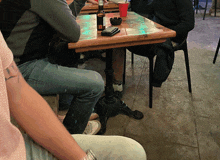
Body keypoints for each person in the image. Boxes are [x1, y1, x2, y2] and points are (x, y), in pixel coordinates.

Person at [0, 0, 109, 135]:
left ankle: (63, 116)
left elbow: (60, 21)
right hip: (18, 68)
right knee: (95, 83)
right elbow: (73, 33)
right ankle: (71, 135)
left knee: (68, 55)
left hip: (18, 61)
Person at [0, 31, 147, 160]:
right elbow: (72, 31)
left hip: (13, 145)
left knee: (132, 152)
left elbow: (17, 91)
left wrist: (82, 158)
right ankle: (73, 128)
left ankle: (68, 127)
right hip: (29, 64)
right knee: (94, 82)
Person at [129, 0, 194, 87]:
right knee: (127, 42)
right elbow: (141, 13)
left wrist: (165, 32)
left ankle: (157, 78)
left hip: (174, 36)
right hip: (157, 33)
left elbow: (189, 24)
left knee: (160, 46)